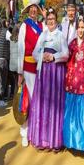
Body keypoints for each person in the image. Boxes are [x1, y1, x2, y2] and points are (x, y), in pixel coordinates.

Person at [29, 8, 69, 150]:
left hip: (55, 72)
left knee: (54, 104)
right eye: (49, 19)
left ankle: (54, 139)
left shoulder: (60, 35)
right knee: (43, 104)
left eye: (53, 19)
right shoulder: (43, 35)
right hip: (44, 72)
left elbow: (66, 54)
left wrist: (53, 57)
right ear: (46, 21)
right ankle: (43, 139)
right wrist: (42, 56)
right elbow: (34, 52)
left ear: (56, 21)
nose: (51, 21)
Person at [17, 0, 45, 147]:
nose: (33, 11)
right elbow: (21, 50)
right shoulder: (24, 26)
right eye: (31, 9)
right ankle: (24, 130)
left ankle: (35, 130)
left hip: (40, 68)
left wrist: (44, 12)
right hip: (27, 68)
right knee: (27, 99)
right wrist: (20, 73)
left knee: (38, 100)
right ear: (28, 11)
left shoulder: (42, 26)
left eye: (36, 8)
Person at [63, 17, 84, 152]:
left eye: (83, 27)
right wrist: (72, 72)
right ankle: (71, 141)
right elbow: (67, 60)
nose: (81, 30)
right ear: (76, 29)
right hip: (72, 82)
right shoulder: (71, 45)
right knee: (71, 114)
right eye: (79, 27)